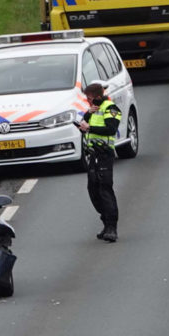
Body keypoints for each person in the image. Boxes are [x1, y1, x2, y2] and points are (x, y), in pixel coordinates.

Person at [75, 81, 122, 242]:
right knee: (93, 190)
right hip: (93, 155)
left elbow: (110, 129)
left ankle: (112, 228)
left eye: (90, 99)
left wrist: (89, 128)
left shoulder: (111, 108)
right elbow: (86, 124)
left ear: (99, 97)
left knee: (105, 189)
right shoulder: (93, 110)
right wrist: (87, 115)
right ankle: (105, 222)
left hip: (105, 155)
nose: (88, 102)